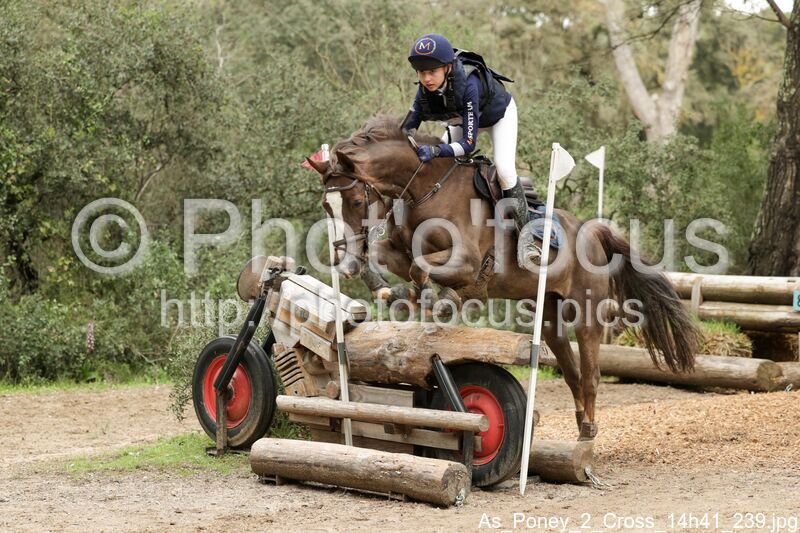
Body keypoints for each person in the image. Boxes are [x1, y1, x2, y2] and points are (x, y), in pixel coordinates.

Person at [401, 33, 540, 267]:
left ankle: (527, 241)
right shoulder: (424, 90)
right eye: (421, 72)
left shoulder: (469, 84)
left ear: (447, 68)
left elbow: (468, 144)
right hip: (461, 121)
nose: (426, 78)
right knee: (438, 164)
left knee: (504, 169)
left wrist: (436, 151)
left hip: (498, 118)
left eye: (432, 71)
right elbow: (406, 128)